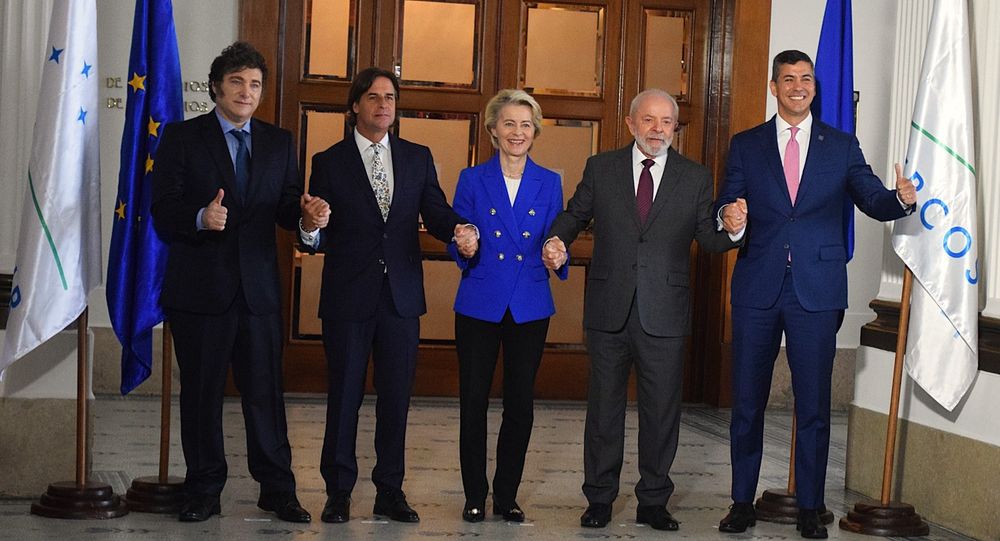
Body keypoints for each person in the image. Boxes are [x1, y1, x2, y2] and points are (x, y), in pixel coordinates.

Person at [714, 50, 916, 539]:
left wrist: (900, 200)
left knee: (814, 404)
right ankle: (742, 501)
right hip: (758, 287)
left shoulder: (840, 146)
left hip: (817, 291)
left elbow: (871, 199)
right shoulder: (746, 144)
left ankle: (810, 506)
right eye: (789, 79)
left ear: (814, 87)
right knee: (747, 401)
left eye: (806, 79)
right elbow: (727, 200)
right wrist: (729, 217)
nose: (798, 86)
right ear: (773, 86)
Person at [542, 89, 740, 531]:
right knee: (604, 410)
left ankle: (653, 501)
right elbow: (575, 215)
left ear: (674, 128)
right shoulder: (602, 167)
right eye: (648, 120)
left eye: (666, 122)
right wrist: (556, 240)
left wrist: (734, 229)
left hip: (664, 312)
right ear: (631, 124)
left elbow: (708, 238)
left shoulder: (694, 176)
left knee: (661, 411)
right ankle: (599, 499)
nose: (657, 130)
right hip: (610, 308)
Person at [151, 41, 325, 523]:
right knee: (203, 395)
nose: (247, 92)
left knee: (265, 395)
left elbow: (288, 207)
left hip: (259, 294)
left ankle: (277, 488)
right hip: (200, 294)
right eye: (236, 82)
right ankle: (204, 489)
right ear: (215, 87)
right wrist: (201, 218)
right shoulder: (182, 139)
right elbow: (163, 212)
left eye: (255, 84)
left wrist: (308, 218)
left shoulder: (278, 141)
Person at [303, 67, 478, 524]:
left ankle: (390, 491)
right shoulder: (329, 160)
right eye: (375, 96)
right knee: (344, 395)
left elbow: (435, 211)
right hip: (348, 298)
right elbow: (312, 229)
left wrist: (458, 228)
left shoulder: (417, 157)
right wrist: (311, 223)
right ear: (355, 105)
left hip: (401, 297)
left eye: (391, 98)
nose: (384, 105)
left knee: (396, 397)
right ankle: (338, 491)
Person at [448, 89, 568, 524]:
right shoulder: (471, 178)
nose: (517, 132)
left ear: (534, 132)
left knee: (520, 403)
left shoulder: (549, 181)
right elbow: (459, 234)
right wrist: (463, 243)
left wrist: (560, 255)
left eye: (525, 125)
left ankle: (508, 494)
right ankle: (474, 495)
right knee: (473, 400)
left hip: (529, 303)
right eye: (509, 124)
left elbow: (557, 237)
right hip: (481, 300)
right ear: (493, 130)